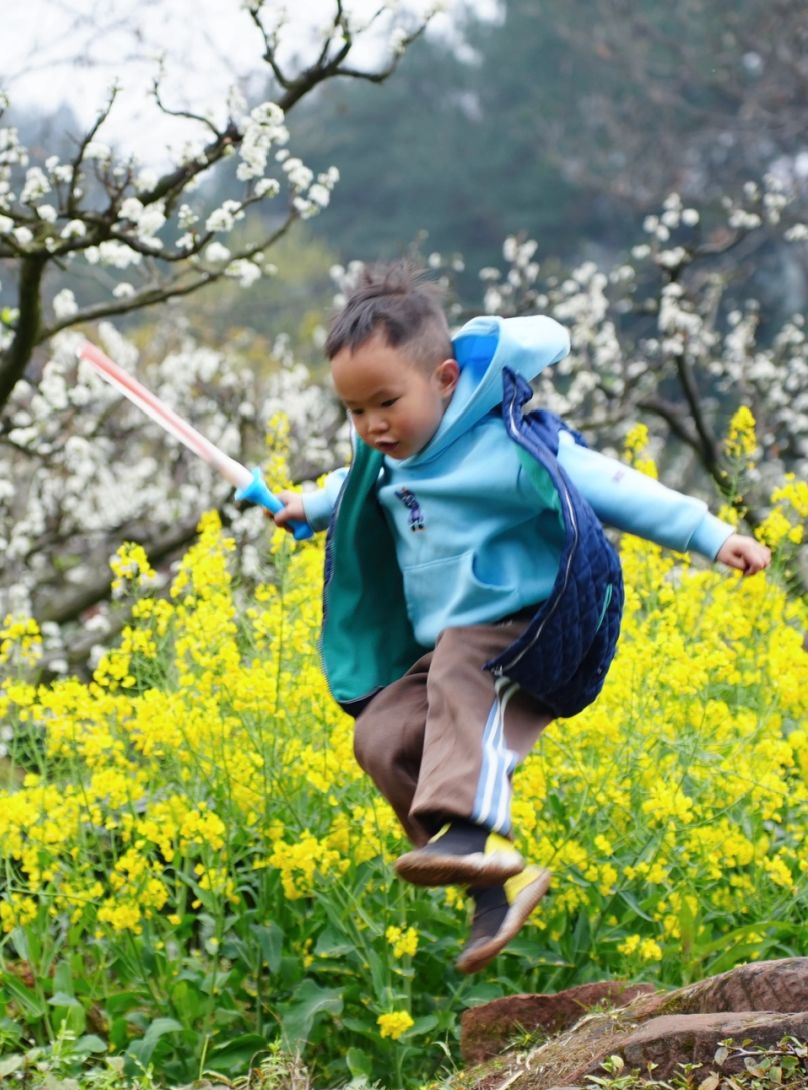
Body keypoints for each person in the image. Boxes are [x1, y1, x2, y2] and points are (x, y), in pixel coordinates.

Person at [271, 264, 771, 973]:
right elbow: (346, 482)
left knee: (460, 674)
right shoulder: (386, 457)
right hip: (449, 643)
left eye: (385, 403)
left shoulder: (506, 442)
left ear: (445, 379)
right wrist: (303, 505)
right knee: (380, 736)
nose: (372, 426)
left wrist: (712, 536)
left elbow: (612, 485)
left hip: (529, 626)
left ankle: (471, 837)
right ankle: (491, 882)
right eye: (354, 412)